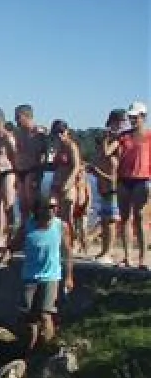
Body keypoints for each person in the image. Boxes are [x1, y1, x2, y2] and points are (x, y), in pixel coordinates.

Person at [0, 196, 73, 352]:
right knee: (27, 316)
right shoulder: (28, 226)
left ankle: (47, 348)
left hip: (51, 276)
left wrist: (69, 277)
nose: (52, 210)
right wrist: (5, 259)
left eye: (54, 207)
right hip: (30, 276)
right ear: (39, 209)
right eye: (49, 207)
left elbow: (67, 253)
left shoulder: (61, 226)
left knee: (46, 314)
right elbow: (13, 246)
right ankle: (29, 348)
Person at [88, 109, 125, 263]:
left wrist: (106, 140)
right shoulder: (108, 140)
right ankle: (103, 251)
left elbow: (106, 153)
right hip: (103, 187)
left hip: (113, 187)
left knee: (110, 222)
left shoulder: (117, 141)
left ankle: (108, 252)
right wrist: (94, 169)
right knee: (103, 220)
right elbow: (99, 158)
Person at [118, 100, 150, 270]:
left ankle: (143, 258)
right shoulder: (124, 136)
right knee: (125, 218)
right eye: (130, 117)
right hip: (124, 178)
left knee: (140, 218)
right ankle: (127, 256)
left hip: (142, 178)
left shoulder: (149, 136)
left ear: (143, 117)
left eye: (135, 117)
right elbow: (114, 154)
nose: (132, 120)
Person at [13, 105, 48, 233]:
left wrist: (38, 173)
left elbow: (44, 155)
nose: (15, 119)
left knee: (32, 203)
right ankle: (25, 231)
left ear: (27, 116)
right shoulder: (18, 132)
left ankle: (37, 229)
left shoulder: (38, 133)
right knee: (22, 205)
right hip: (20, 170)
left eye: (18, 116)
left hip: (32, 170)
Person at [49, 120, 83, 250]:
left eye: (61, 132)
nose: (59, 135)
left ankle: (73, 241)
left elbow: (76, 166)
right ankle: (58, 240)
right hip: (56, 182)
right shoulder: (58, 146)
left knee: (68, 216)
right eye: (57, 132)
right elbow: (54, 165)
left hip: (68, 184)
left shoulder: (71, 146)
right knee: (53, 212)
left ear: (66, 131)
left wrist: (68, 183)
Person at [0, 108, 18, 248]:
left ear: (3, 122)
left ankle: (10, 236)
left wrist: (17, 175)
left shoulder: (8, 137)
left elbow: (15, 155)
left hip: (9, 171)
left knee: (8, 205)